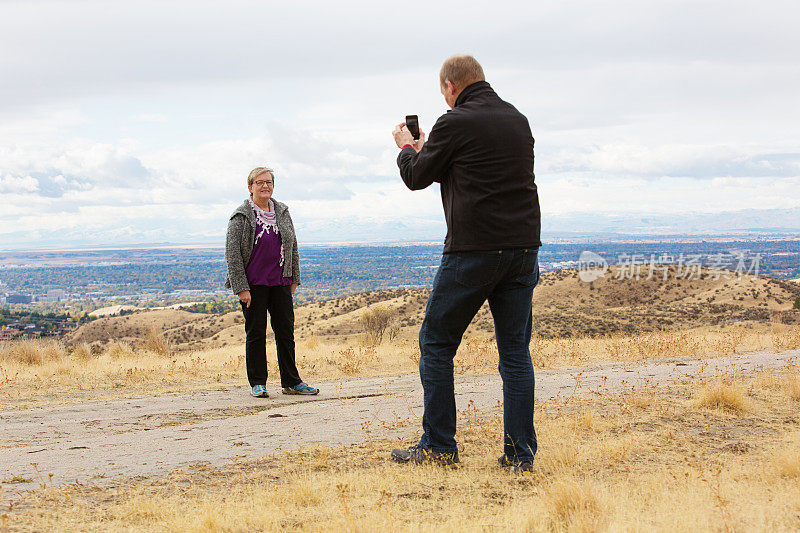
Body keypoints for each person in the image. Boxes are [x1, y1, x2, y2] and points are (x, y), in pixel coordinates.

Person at [390, 55, 541, 472]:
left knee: (435, 345)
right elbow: (472, 171)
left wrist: (407, 148)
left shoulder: (453, 121)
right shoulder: (518, 120)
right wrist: (427, 151)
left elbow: (417, 176)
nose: (444, 98)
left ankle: (439, 445)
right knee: (515, 352)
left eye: (443, 92)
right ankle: (519, 455)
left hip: (473, 250)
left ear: (451, 86)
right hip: (523, 248)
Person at [224, 167, 319, 398]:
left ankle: (292, 382)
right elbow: (232, 254)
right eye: (259, 182)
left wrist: (294, 278)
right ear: (250, 187)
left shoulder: (283, 212)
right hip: (253, 285)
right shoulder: (241, 216)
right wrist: (241, 287)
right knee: (256, 333)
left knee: (285, 332)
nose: (264, 186)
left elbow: (293, 245)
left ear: (273, 186)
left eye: (268, 182)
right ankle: (258, 383)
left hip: (280, 282)